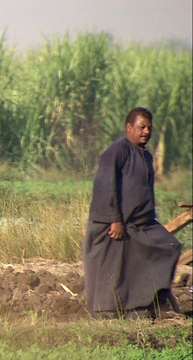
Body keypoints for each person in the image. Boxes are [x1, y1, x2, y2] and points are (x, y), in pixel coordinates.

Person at [83, 107, 182, 320]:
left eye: (149, 128)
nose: (146, 131)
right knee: (113, 268)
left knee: (168, 246)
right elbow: (105, 185)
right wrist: (115, 220)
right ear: (129, 128)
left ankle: (148, 303)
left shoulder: (145, 155)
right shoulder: (117, 151)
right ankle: (108, 311)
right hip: (114, 223)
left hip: (141, 223)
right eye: (142, 127)